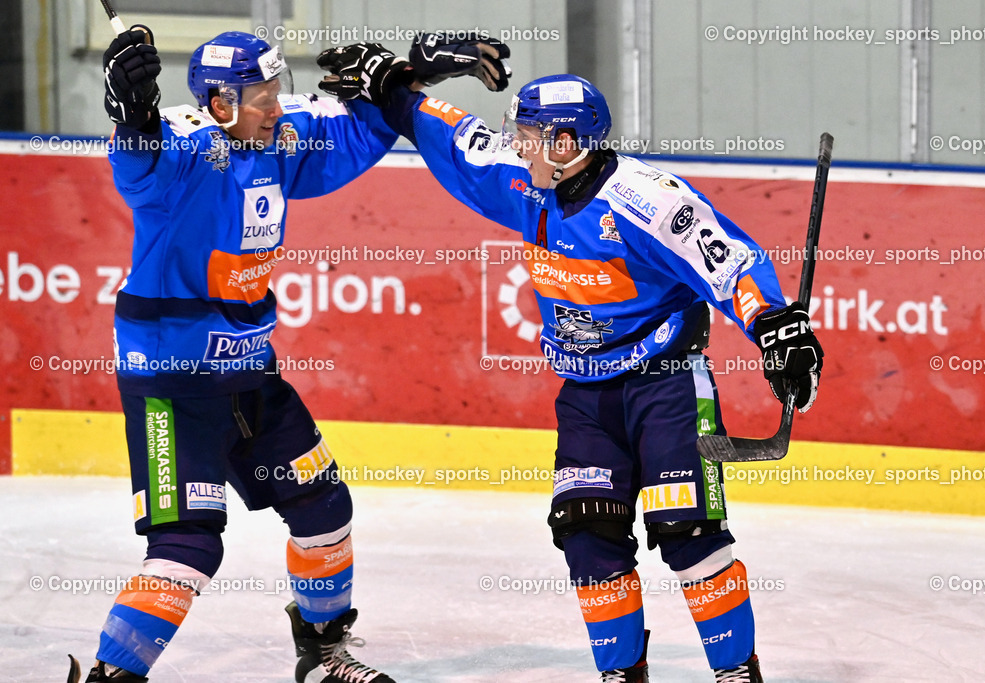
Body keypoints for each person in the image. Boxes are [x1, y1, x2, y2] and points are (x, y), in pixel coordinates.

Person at [317, 38, 823, 682]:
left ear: (565, 144)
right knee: (586, 535)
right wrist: (395, 89)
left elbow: (728, 260)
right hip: (585, 397)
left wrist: (775, 325)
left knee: (688, 534)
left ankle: (734, 674)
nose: (516, 144)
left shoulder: (649, 201)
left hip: (665, 387)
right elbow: (453, 139)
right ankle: (620, 674)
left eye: (528, 134)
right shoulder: (524, 185)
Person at [69, 27, 507, 683]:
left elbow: (354, 137)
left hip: (252, 371)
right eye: (261, 96)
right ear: (219, 103)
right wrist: (129, 116)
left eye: (278, 90)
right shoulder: (186, 151)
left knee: (323, 505)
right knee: (187, 545)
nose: (277, 106)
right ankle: (112, 673)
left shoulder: (278, 139)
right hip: (172, 381)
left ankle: (323, 652)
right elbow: (139, 163)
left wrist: (406, 79)